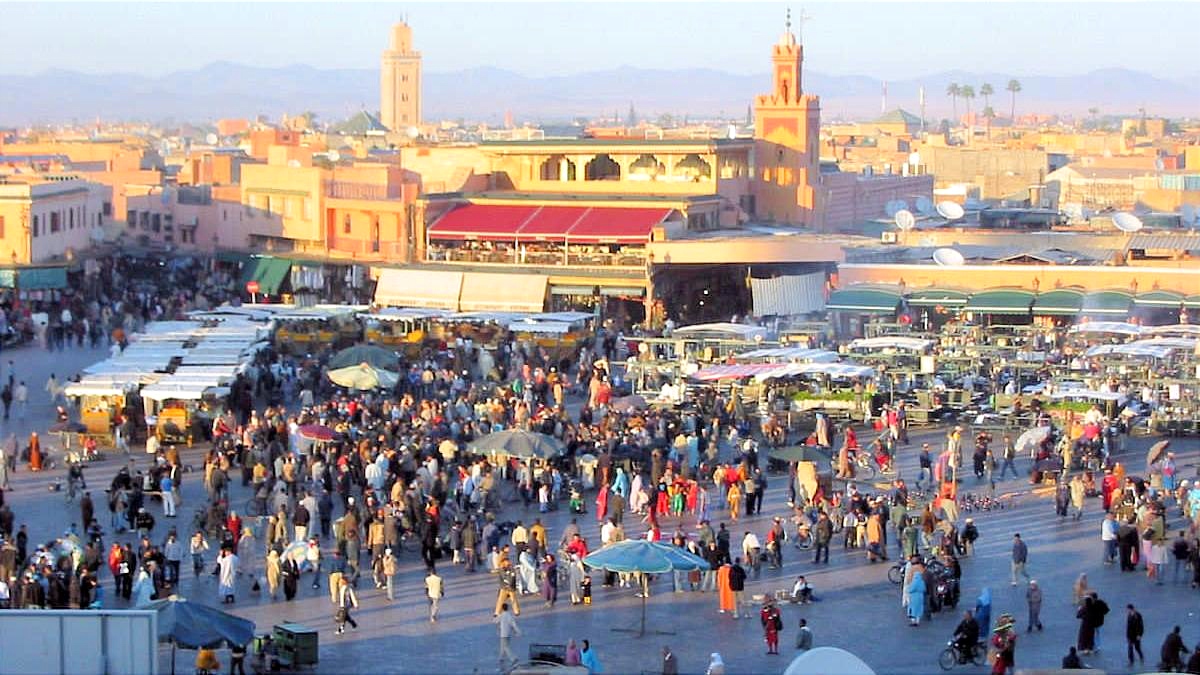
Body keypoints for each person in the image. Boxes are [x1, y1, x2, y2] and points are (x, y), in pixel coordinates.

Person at [495, 603, 521, 671]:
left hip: (503, 634)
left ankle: (513, 658)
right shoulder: (509, 615)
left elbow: (495, 621)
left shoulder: (501, 615)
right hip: (508, 634)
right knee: (503, 646)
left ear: (502, 608)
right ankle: (501, 658)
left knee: (505, 647)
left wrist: (496, 616)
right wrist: (518, 631)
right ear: (507, 608)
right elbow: (514, 624)